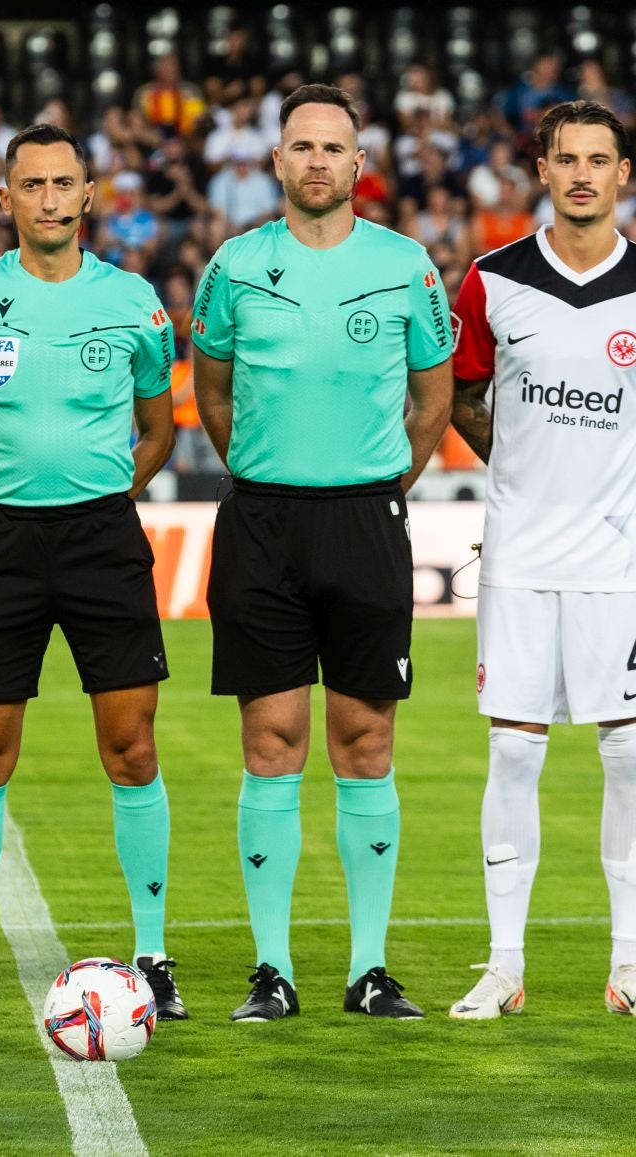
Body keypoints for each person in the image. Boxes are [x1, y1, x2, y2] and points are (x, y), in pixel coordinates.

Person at [192, 84, 454, 1022]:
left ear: (358, 163)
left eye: (331, 148)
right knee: (271, 744)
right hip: (262, 523)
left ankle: (370, 967)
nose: (315, 162)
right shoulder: (233, 266)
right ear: (277, 163)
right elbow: (214, 396)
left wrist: (380, 483)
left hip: (366, 520)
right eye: (299, 146)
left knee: (366, 741)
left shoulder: (406, 266)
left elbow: (433, 399)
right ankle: (273, 969)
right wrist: (273, 471)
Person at [444, 100, 636, 1023]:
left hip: (623, 559)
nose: (584, 174)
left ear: (623, 174)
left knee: (632, 748)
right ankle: (504, 965)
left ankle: (629, 966)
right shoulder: (490, 282)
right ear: (543, 172)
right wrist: (522, 470)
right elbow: (461, 398)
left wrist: (623, 477)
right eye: (568, 160)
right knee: (513, 753)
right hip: (518, 556)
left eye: (601, 159)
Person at [0, 123, 180, 1023]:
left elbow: (160, 425)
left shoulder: (135, 300)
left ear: (89, 193)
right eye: (31, 185)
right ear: (6, 200)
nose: (49, 199)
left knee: (132, 746)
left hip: (104, 539)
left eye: (64, 183)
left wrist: (110, 495)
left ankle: (153, 952)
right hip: (1, 539)